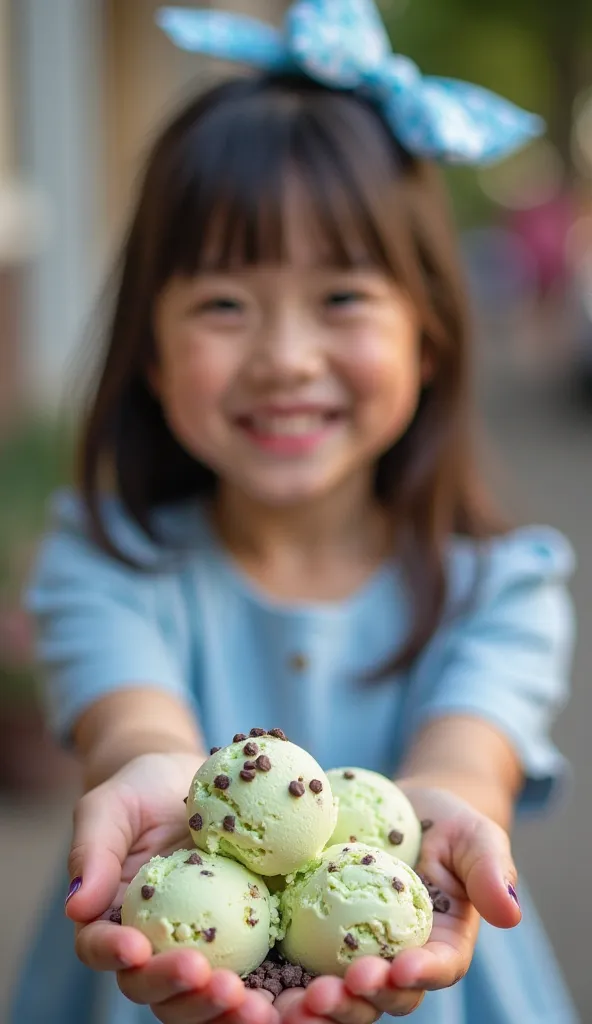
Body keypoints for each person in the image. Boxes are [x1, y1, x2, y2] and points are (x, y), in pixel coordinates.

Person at [11, 2, 579, 1022]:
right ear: (148, 349)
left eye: (342, 299)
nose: (283, 356)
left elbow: (465, 758)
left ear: (431, 338)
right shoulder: (103, 560)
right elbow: (132, 720)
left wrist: (447, 810)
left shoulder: (505, 588)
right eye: (224, 304)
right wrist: (154, 769)